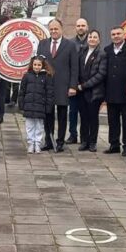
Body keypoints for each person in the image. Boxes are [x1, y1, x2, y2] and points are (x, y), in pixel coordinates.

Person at [36, 19, 79, 152]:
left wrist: (73, 86)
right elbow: (38, 64)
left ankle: (60, 141)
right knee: (47, 115)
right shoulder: (42, 44)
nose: (54, 31)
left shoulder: (70, 45)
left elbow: (74, 68)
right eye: (52, 29)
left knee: (62, 115)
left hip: (63, 86)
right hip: (46, 86)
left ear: (61, 29)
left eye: (56, 29)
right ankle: (49, 140)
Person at [104, 26, 126, 156]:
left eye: (118, 33)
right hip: (111, 91)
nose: (116, 36)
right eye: (113, 34)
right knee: (112, 120)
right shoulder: (107, 50)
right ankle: (114, 144)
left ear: (124, 34)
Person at [76, 29, 107, 152]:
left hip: (94, 92)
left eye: (95, 37)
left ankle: (93, 142)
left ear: (99, 39)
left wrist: (84, 85)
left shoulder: (102, 54)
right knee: (83, 118)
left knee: (93, 118)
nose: (92, 39)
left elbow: (101, 74)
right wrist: (77, 84)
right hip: (81, 91)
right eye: (90, 37)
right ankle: (84, 141)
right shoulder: (82, 52)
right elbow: (77, 69)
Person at [20, 55, 55, 153]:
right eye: (35, 64)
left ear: (43, 66)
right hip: (29, 106)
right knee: (29, 126)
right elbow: (22, 91)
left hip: (41, 106)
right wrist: (21, 104)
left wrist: (48, 107)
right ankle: (31, 144)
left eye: (39, 65)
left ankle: (37, 143)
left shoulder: (47, 77)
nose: (37, 67)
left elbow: (50, 93)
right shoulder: (26, 76)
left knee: (39, 126)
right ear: (32, 65)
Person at [68, 18, 90, 144]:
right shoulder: (70, 43)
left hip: (86, 84)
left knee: (85, 112)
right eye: (78, 25)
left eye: (83, 25)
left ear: (87, 27)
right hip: (73, 83)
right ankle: (72, 134)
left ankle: (84, 137)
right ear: (75, 28)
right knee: (72, 111)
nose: (80, 28)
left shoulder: (92, 41)